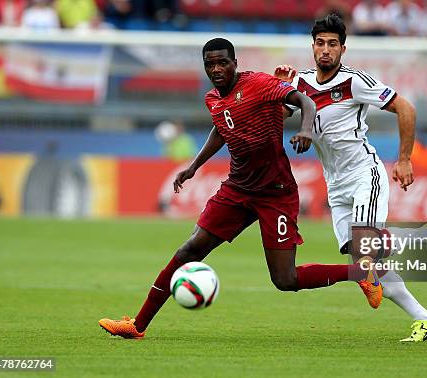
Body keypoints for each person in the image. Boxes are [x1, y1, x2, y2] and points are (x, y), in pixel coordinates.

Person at [99, 38, 381, 339]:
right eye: (210, 64)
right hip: (238, 190)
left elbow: (305, 101)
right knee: (190, 249)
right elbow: (221, 127)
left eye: (223, 62)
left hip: (276, 192)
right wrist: (194, 166)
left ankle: (359, 273)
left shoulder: (260, 84)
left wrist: (305, 130)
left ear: (235, 63)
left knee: (285, 279)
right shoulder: (212, 98)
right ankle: (137, 325)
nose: (217, 69)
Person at [274, 14, 427, 342]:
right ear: (312, 47)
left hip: (365, 174)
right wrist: (276, 88)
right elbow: (279, 117)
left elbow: (405, 108)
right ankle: (426, 320)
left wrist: (405, 158)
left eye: (332, 44)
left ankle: (426, 236)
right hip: (335, 185)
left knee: (367, 250)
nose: (326, 50)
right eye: (320, 43)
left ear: (343, 49)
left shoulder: (355, 82)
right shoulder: (300, 83)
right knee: (364, 263)